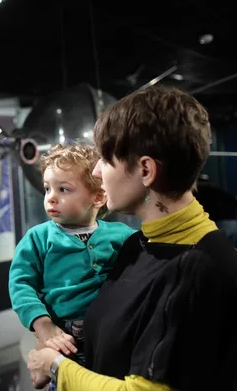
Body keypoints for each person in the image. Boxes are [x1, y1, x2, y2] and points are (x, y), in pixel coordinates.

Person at [26, 86, 237, 391]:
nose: (96, 171)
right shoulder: (136, 246)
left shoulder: (201, 269)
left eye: (106, 159)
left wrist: (56, 366)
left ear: (146, 170)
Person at [8, 143, 135, 390]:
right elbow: (21, 284)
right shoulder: (38, 238)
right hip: (64, 335)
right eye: (47, 189)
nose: (51, 197)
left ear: (98, 197)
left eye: (63, 189)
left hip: (110, 334)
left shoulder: (121, 235)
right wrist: (42, 325)